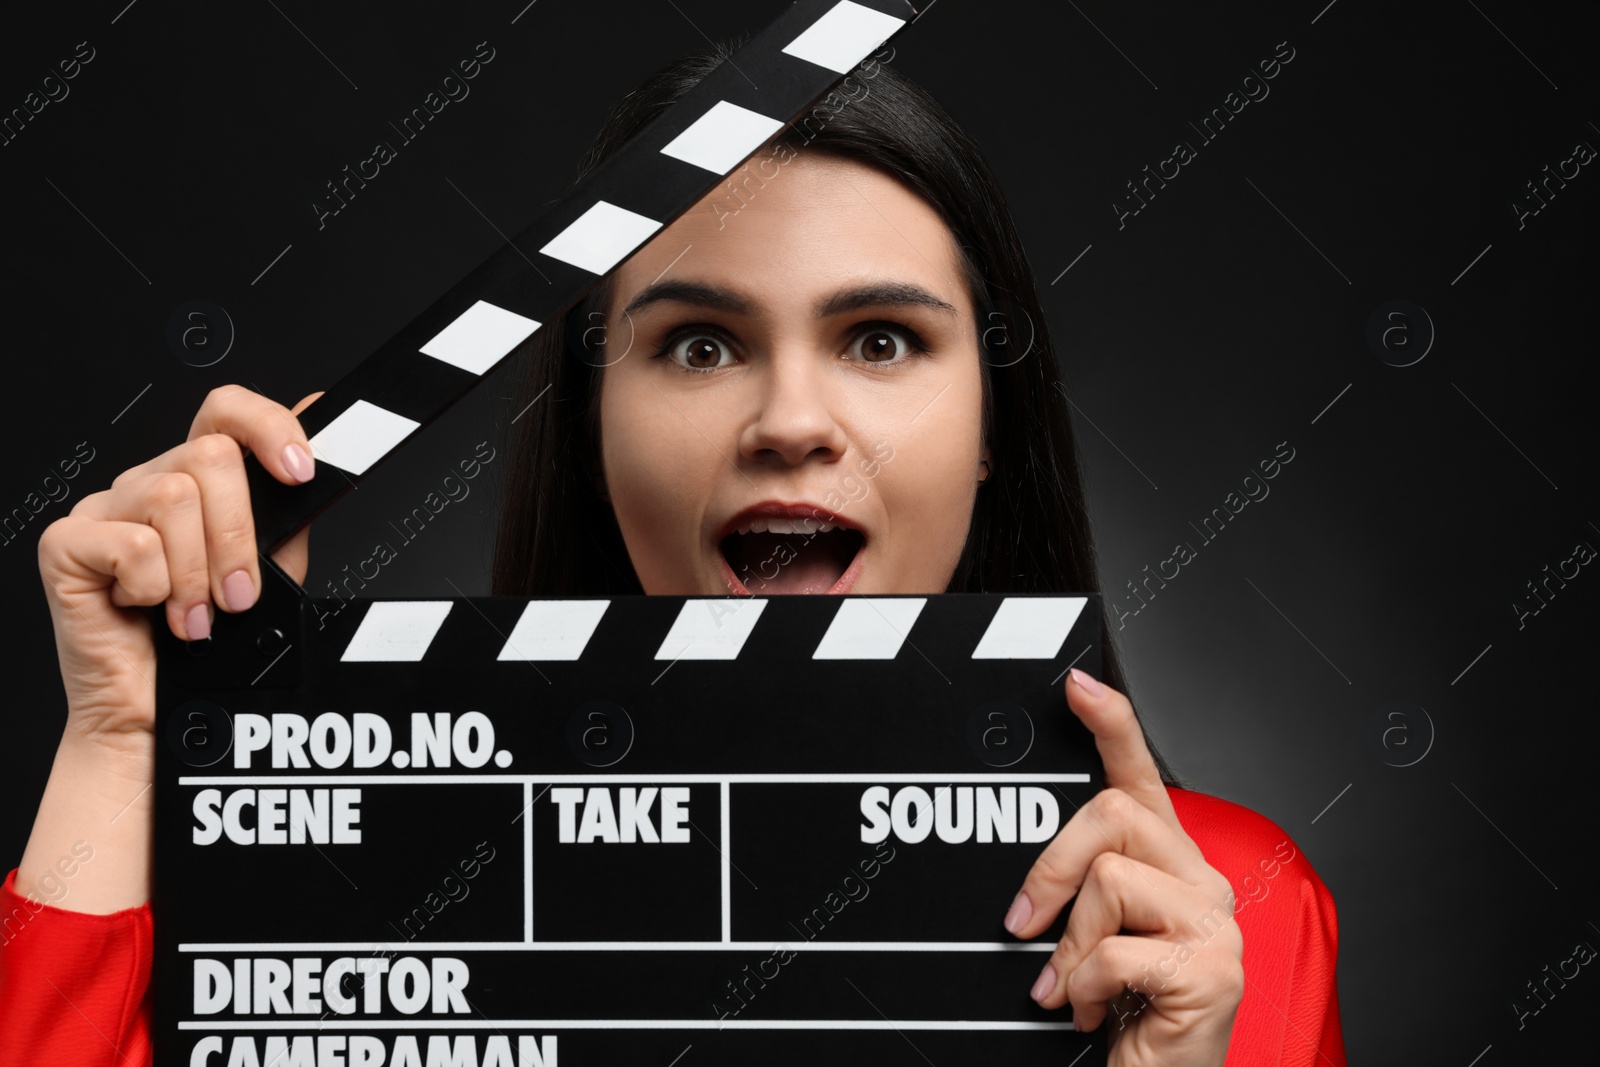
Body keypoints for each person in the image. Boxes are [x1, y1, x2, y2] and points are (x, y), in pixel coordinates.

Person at [2, 38, 1346, 1066]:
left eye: (882, 340)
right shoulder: (365, 907)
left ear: (994, 422)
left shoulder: (1216, 918)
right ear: (594, 423)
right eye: (699, 344)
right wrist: (124, 743)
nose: (792, 423)